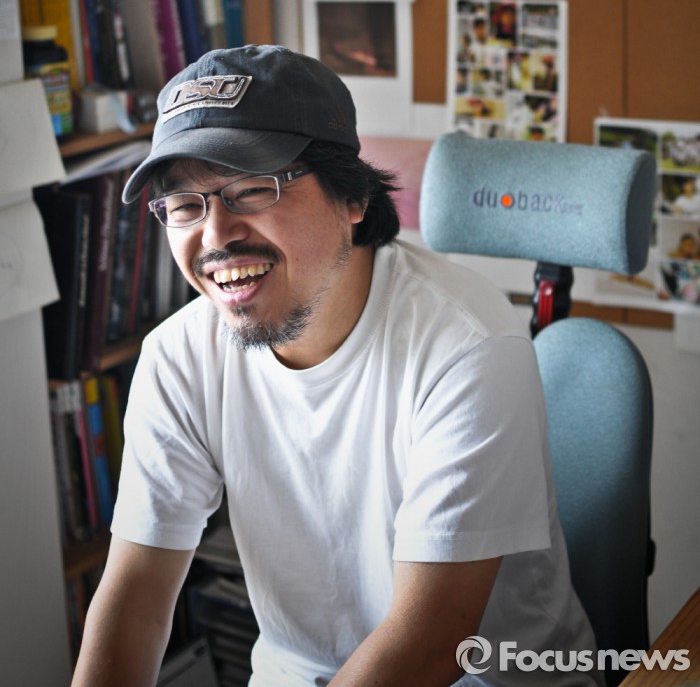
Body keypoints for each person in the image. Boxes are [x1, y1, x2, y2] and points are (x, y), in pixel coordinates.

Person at [71, 45, 599, 687]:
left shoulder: (465, 345)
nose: (214, 236)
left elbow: (432, 642)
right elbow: (137, 596)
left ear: (352, 196)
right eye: (184, 205)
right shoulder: (178, 358)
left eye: (252, 189)